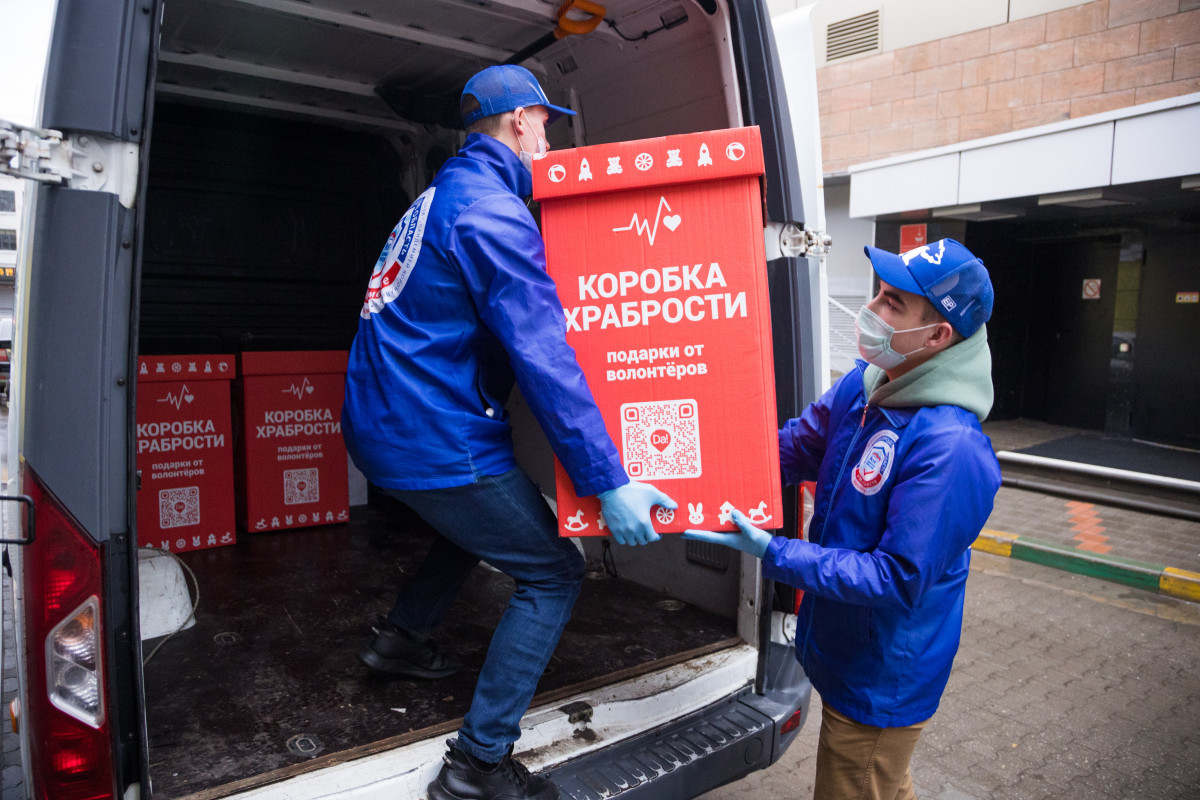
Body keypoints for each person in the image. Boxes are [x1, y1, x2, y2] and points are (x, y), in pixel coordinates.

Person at [341, 65, 675, 800]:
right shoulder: (492, 213)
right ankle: (478, 764)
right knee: (553, 570)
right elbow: (546, 356)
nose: (550, 137)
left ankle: (401, 638)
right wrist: (607, 480)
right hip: (431, 433)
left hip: (388, 424)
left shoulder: (440, 198)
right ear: (522, 121)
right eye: (547, 123)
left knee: (482, 522)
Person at [685, 238, 1002, 800]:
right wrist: (693, 471)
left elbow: (895, 578)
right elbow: (790, 448)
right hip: (844, 649)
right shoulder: (867, 386)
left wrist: (773, 552)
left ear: (937, 336)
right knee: (878, 784)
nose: (871, 311)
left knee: (860, 779)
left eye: (892, 304)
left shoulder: (950, 447)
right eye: (878, 294)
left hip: (882, 678)